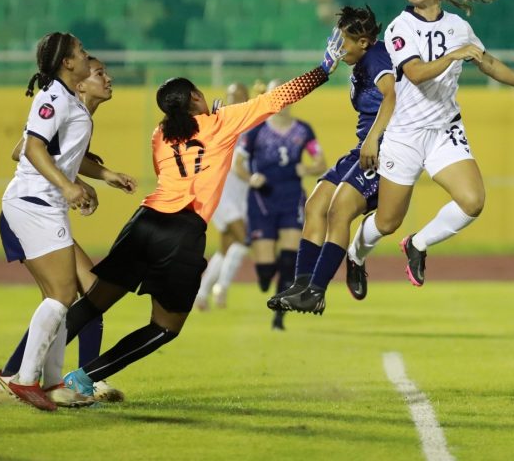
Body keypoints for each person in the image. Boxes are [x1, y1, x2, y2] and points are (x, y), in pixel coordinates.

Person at [55, 30, 343, 398]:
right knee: (165, 327)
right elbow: (278, 98)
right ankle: (83, 378)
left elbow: (168, 174)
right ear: (194, 96)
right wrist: (324, 69)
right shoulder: (221, 123)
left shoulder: (160, 134)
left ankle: (27, 370)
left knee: (93, 302)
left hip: (143, 223)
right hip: (182, 231)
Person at [347, 0, 514, 287]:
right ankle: (355, 254)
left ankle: (418, 243)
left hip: (444, 129)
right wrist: (454, 54)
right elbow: (415, 73)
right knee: (386, 222)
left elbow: (487, 62)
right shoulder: (401, 27)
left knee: (473, 201)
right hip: (406, 134)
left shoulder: (459, 27)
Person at [0, 34, 136, 412]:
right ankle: (23, 379)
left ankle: (52, 382)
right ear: (68, 64)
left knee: (64, 297)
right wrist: (69, 185)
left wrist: (100, 176)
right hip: (34, 202)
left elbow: (52, 151)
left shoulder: (69, 103)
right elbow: (29, 147)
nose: (93, 63)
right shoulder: (56, 98)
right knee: (64, 295)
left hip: (44, 204)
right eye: (84, 56)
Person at [270, 5, 395, 316]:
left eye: (344, 40)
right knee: (315, 206)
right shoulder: (358, 64)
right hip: (363, 147)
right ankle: (301, 285)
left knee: (339, 211)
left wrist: (372, 141)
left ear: (363, 42)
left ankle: (317, 291)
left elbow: (392, 96)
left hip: (388, 149)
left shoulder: (377, 56)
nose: (338, 46)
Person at [241, 80, 327, 329]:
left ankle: (279, 314)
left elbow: (320, 161)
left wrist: (308, 167)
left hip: (291, 198)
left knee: (290, 260)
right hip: (262, 200)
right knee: (266, 271)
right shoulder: (256, 130)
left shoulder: (303, 130)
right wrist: (251, 177)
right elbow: (239, 165)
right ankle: (267, 275)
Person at [194, 80, 266, 312]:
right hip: (221, 193)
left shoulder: (248, 123)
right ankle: (221, 289)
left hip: (240, 195)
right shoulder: (221, 123)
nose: (236, 99)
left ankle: (201, 294)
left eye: (241, 95)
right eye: (232, 95)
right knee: (246, 239)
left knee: (227, 247)